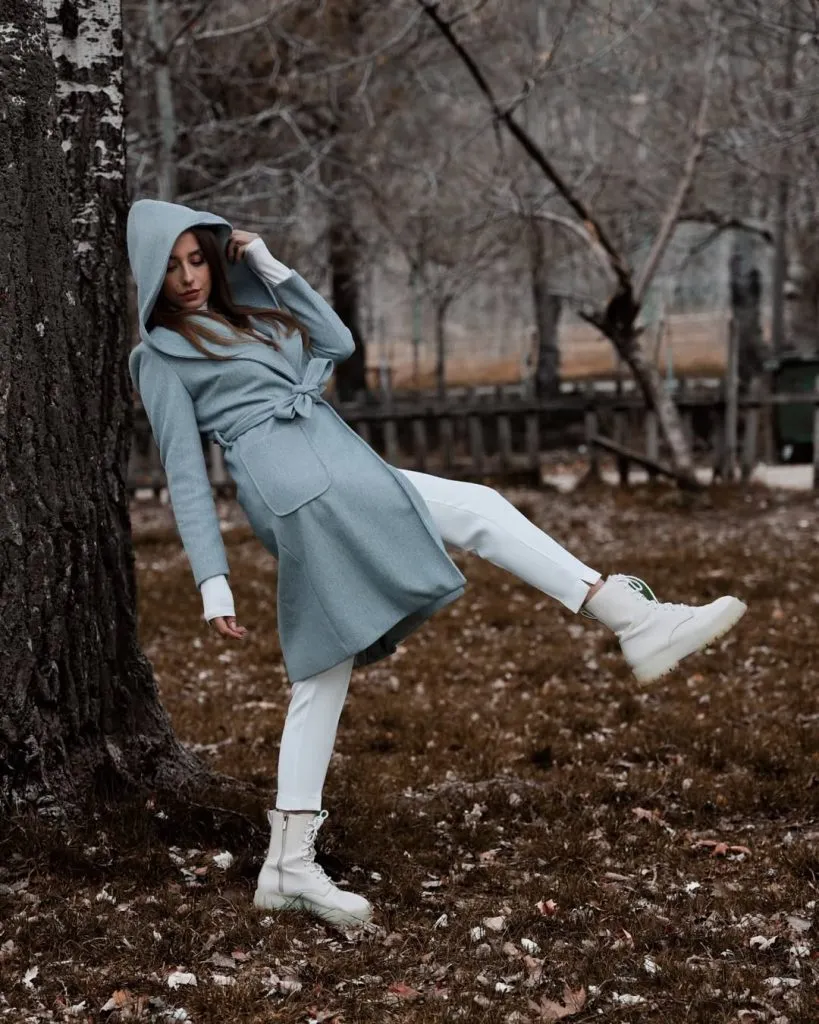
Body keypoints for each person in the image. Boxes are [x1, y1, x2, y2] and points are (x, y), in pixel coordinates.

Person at [127, 198, 747, 929]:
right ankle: (629, 617)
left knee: (336, 656)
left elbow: (337, 340)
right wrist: (211, 578)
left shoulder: (252, 316)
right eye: (171, 267)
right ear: (148, 276)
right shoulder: (158, 356)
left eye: (198, 259)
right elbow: (184, 474)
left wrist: (265, 263)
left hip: (342, 468)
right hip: (300, 495)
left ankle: (288, 863)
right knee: (456, 530)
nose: (189, 277)